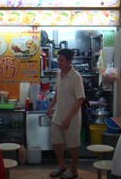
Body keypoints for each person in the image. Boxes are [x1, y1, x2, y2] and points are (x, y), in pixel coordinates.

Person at [46, 49, 85, 179]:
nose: (59, 62)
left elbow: (80, 99)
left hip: (72, 118)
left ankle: (73, 170)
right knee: (56, 142)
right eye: (58, 60)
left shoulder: (76, 77)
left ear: (69, 61)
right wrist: (50, 107)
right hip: (58, 115)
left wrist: (68, 118)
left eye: (61, 60)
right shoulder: (59, 74)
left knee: (73, 145)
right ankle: (62, 165)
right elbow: (58, 92)